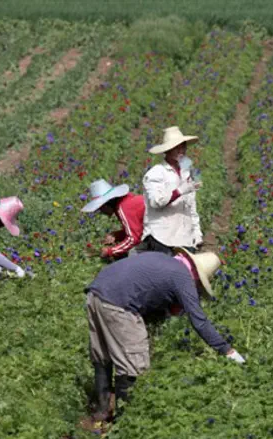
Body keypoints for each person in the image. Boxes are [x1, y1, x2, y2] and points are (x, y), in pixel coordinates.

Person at [85, 248, 245, 421]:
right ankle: (125, 421)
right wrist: (226, 350)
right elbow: (199, 321)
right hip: (118, 304)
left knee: (103, 356)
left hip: (96, 293)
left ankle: (102, 411)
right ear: (198, 276)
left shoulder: (164, 260)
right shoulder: (182, 277)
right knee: (134, 364)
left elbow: (148, 293)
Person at [138, 126, 203, 256]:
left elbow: (190, 206)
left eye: (183, 146)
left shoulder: (186, 173)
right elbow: (156, 201)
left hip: (184, 238)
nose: (181, 150)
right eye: (176, 147)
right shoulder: (156, 173)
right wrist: (179, 191)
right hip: (161, 237)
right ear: (167, 150)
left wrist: (197, 232)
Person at [81, 179, 144, 260]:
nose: (101, 211)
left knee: (133, 255)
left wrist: (110, 251)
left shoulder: (123, 208)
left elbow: (133, 239)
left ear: (106, 204)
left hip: (161, 234)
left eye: (100, 208)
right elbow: (136, 230)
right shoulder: (125, 202)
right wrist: (116, 235)